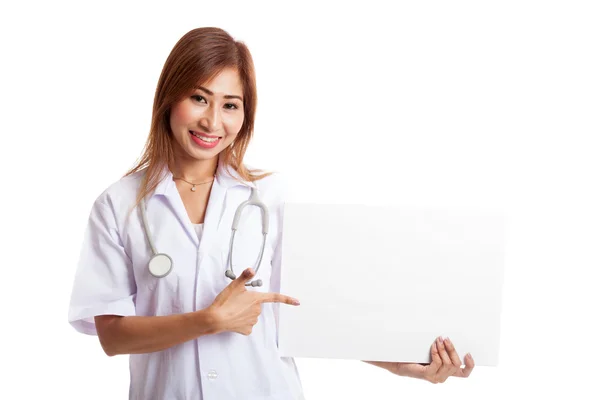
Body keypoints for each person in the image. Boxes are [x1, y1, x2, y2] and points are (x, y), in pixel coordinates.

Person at [67, 27, 475, 400]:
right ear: (169, 97)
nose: (213, 121)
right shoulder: (119, 204)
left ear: (245, 116)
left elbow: (313, 313)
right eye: (198, 98)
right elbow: (113, 336)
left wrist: (402, 366)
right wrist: (209, 320)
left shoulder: (270, 196)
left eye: (230, 105)